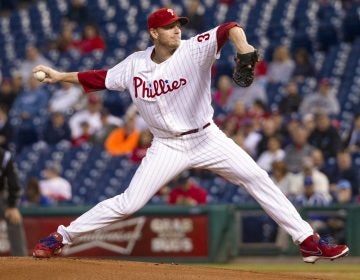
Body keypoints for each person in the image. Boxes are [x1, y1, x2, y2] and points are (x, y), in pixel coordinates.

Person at [32, 8, 348, 262]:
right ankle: (61, 236)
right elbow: (99, 78)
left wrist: (243, 46)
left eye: (178, 24)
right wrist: (59, 76)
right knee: (129, 203)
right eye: (169, 26)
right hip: (167, 146)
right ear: (153, 33)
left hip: (207, 137)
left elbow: (229, 27)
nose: (177, 29)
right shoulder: (134, 64)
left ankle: (307, 240)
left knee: (256, 177)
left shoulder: (194, 49)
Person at [0, 147, 27, 256]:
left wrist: (12, 206)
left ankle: (21, 261)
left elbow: (13, 180)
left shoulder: (3, 155)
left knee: (14, 219)